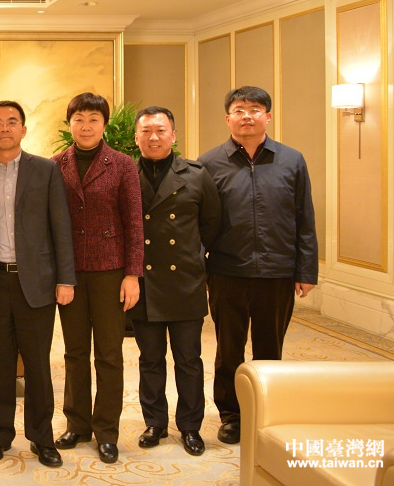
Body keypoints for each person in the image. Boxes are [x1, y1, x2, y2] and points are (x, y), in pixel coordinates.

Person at [198, 86, 318, 445]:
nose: (247, 116)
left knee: (270, 348)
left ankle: (267, 411)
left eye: (254, 109)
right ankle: (232, 415)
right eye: (239, 110)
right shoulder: (209, 163)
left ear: (268, 116)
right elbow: (201, 222)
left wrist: (306, 270)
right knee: (228, 349)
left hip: (277, 271)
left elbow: (304, 218)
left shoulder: (292, 160)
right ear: (228, 119)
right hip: (226, 271)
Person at [0, 101, 75, 468]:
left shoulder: (46, 171)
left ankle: (42, 438)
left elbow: (61, 227)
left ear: (23, 130)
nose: (5, 127)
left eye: (12, 122)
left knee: (38, 366)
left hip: (37, 283)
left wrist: (66, 278)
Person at [50, 92, 143, 464]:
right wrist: (57, 274)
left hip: (110, 271)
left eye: (93, 119)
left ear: (104, 124)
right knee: (74, 352)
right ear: (69, 123)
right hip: (70, 273)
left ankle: (106, 431)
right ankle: (77, 424)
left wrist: (132, 274)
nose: (86, 126)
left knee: (108, 354)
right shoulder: (55, 165)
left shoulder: (122, 164)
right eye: (79, 119)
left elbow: (134, 223)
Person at [129, 106, 221, 456]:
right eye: (146, 131)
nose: (153, 137)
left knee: (188, 359)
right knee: (150, 359)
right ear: (136, 137)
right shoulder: (126, 174)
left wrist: (193, 259)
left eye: (161, 130)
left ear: (174, 135)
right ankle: (154, 423)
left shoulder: (196, 175)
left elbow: (211, 225)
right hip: (145, 283)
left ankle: (190, 426)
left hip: (184, 281)